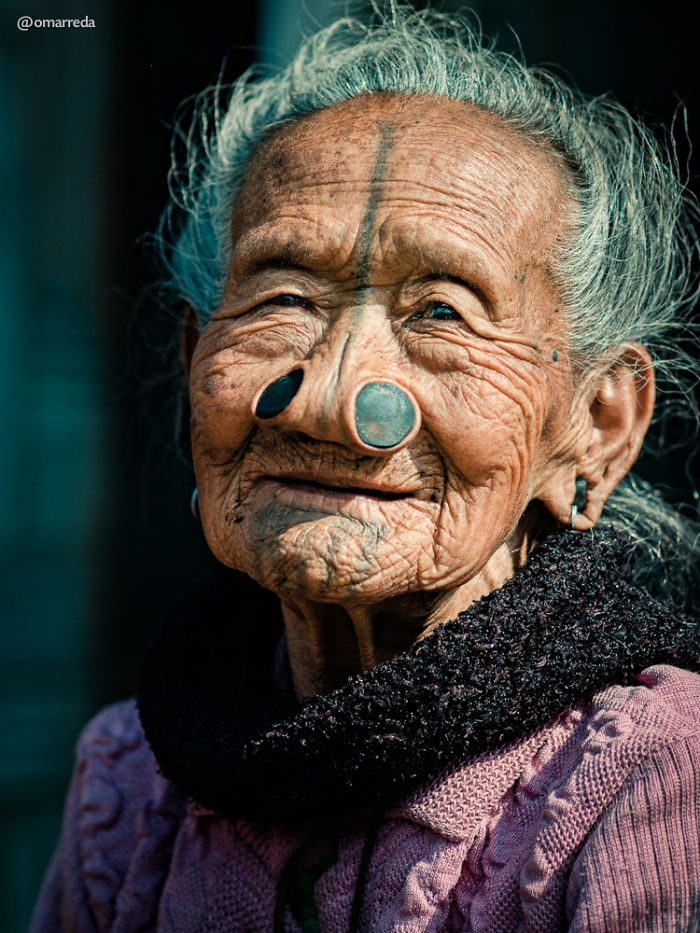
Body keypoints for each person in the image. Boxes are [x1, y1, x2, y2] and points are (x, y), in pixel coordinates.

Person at [31, 6, 700, 931]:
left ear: (597, 425)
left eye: (441, 313)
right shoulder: (127, 774)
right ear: (193, 359)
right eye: (282, 296)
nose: (328, 401)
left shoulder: (656, 776)